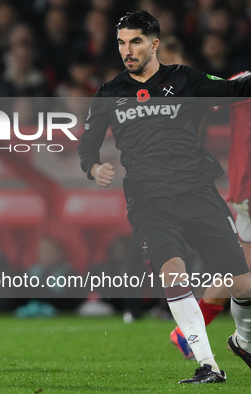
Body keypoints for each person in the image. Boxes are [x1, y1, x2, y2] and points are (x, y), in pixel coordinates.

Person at [78, 10, 251, 384]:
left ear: (155, 44)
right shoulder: (109, 93)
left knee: (244, 285)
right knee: (173, 272)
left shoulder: (185, 80)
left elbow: (236, 89)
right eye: (122, 42)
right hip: (149, 199)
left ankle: (245, 342)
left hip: (198, 191)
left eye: (136, 41)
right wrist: (94, 168)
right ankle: (209, 365)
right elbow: (86, 147)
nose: (128, 50)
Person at [170, 71, 251, 360]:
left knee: (243, 271)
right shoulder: (243, 81)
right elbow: (198, 101)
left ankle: (191, 331)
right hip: (248, 184)